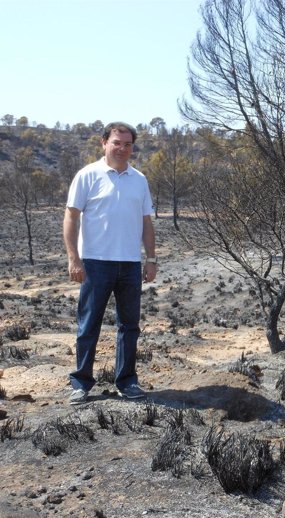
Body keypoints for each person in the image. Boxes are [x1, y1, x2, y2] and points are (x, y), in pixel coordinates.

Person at [63, 122, 157, 405]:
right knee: (88, 324)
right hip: (95, 263)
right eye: (117, 142)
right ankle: (81, 383)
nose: (122, 148)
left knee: (129, 327)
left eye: (128, 144)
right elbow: (71, 217)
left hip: (129, 264)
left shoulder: (139, 179)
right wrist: (73, 258)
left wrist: (150, 258)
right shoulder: (87, 175)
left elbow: (146, 222)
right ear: (104, 142)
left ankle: (127, 382)